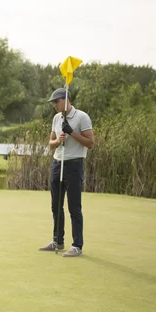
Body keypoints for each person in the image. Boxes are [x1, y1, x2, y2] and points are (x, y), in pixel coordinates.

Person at [39, 88, 94, 257]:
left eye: (57, 101)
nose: (54, 105)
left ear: (66, 99)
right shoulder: (56, 118)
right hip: (57, 163)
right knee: (56, 206)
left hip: (74, 165)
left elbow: (90, 143)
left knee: (74, 207)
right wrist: (58, 139)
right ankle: (58, 240)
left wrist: (71, 132)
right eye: (53, 102)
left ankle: (77, 245)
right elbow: (50, 143)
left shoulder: (82, 117)